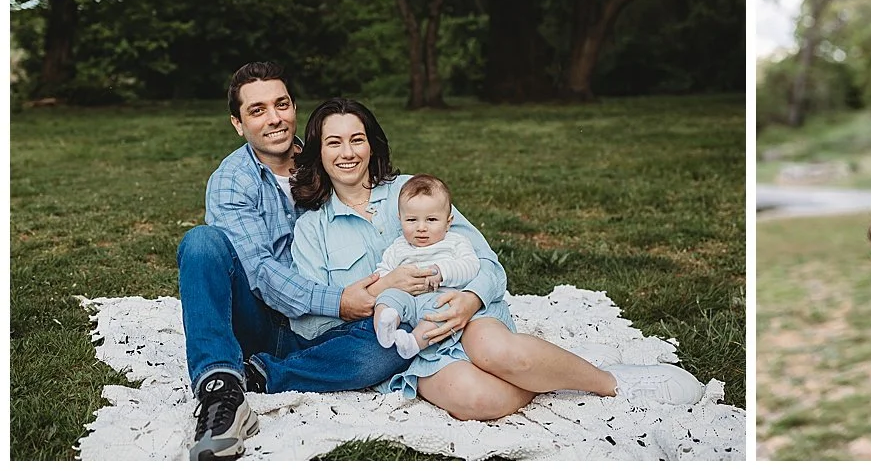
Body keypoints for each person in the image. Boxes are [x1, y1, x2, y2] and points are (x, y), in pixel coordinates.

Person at [289, 98, 703, 420]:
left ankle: (612, 383)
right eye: (334, 141)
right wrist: (388, 289)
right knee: (480, 399)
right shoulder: (313, 227)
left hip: (465, 312)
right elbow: (314, 325)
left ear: (371, 144)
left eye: (356, 139)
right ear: (319, 152)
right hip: (410, 344)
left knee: (502, 354)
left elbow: (486, 263)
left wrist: (470, 301)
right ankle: (554, 377)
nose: (348, 152)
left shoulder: (412, 191)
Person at [176, 62, 409, 461]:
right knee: (201, 244)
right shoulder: (233, 180)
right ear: (238, 123)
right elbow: (260, 272)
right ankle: (221, 390)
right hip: (263, 322)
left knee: (394, 344)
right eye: (257, 110)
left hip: (331, 326)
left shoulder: (328, 156)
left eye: (281, 104)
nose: (274, 118)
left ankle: (261, 376)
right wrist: (338, 301)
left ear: (294, 107)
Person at [371, 174, 482, 360]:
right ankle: (385, 328)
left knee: (443, 314)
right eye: (412, 220)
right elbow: (383, 271)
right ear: (401, 220)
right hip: (406, 297)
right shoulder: (397, 247)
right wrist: (390, 280)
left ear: (448, 222)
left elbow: (471, 266)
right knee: (387, 298)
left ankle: (413, 343)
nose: (421, 227)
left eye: (431, 220)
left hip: (438, 299)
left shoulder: (455, 242)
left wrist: (443, 271)